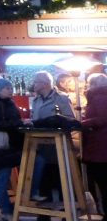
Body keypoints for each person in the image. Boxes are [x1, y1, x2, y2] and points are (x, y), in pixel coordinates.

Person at [29, 70, 77, 209]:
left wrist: (53, 123)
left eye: (36, 81)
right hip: (40, 145)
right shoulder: (36, 100)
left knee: (62, 179)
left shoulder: (61, 98)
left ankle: (66, 211)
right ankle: (44, 212)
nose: (34, 84)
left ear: (44, 84)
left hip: (58, 146)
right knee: (45, 178)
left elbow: (70, 119)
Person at [0, 78, 24, 221]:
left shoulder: (10, 103)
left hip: (11, 145)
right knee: (3, 177)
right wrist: (16, 124)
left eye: (10, 88)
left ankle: (12, 207)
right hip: (3, 146)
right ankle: (6, 210)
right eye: (7, 88)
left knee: (36, 161)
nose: (10, 90)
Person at [81, 73, 107, 221]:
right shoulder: (99, 97)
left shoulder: (100, 97)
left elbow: (103, 118)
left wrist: (82, 123)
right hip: (99, 147)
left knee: (103, 183)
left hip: (100, 148)